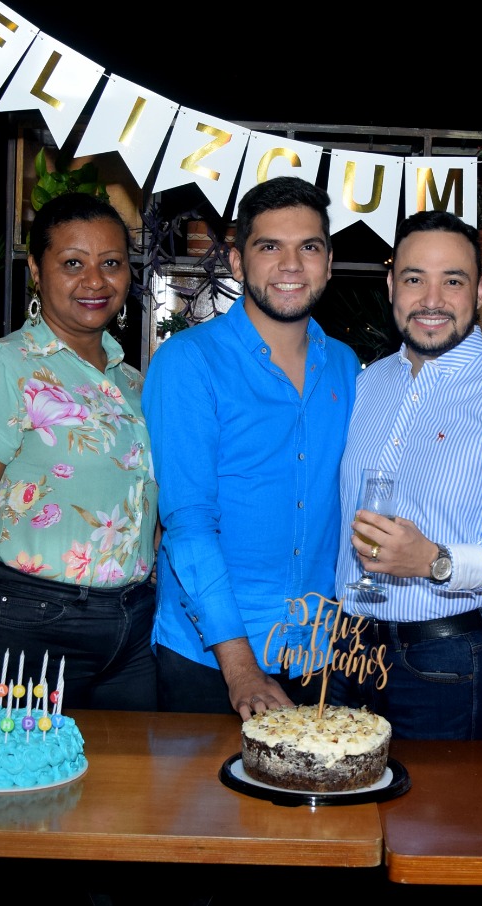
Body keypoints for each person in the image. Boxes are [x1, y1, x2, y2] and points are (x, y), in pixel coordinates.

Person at [332, 209, 482, 741]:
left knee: (438, 822)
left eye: (452, 280)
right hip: (346, 648)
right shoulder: (371, 384)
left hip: (443, 660)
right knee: (341, 816)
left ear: (480, 291)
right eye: (415, 278)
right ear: (392, 285)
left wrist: (436, 561)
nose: (431, 300)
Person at [0, 192, 157, 710]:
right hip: (30, 625)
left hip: (132, 630)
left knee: (128, 789)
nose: (95, 281)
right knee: (23, 786)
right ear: (36, 269)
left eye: (112, 263)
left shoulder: (134, 383)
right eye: (72, 263)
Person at [144, 177, 358, 717]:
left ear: (328, 263)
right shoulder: (189, 363)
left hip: (320, 654)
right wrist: (239, 668)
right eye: (270, 247)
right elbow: (187, 522)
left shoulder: (348, 368)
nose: (291, 265)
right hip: (211, 660)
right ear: (238, 263)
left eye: (308, 247)